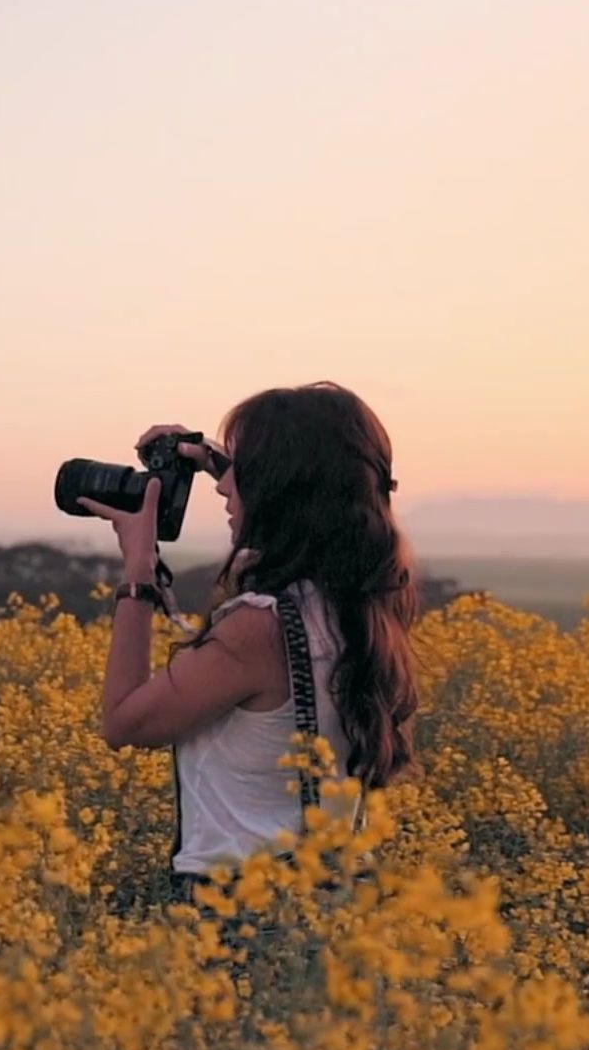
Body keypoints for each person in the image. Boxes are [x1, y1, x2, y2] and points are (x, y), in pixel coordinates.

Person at [75, 381, 420, 898]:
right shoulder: (363, 605)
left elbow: (124, 722)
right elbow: (322, 490)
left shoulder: (258, 630)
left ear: (280, 485)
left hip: (243, 909)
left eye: (242, 471)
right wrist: (212, 459)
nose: (221, 489)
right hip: (330, 897)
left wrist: (137, 574)